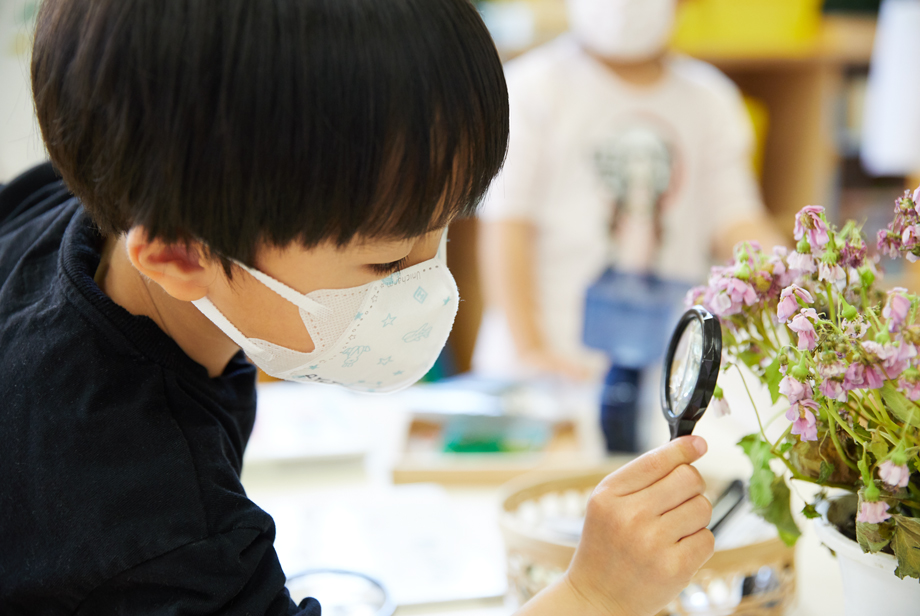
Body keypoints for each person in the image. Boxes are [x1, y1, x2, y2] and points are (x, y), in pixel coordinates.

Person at [0, 1, 713, 614]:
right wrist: (592, 596)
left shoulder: (77, 211)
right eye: (388, 262)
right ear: (181, 255)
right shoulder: (158, 525)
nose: (433, 285)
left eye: (446, 230)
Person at [473, 0, 782, 383]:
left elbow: (737, 220)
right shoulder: (530, 88)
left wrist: (794, 275)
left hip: (665, 378)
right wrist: (532, 353)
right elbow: (507, 228)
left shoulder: (711, 100)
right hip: (542, 374)